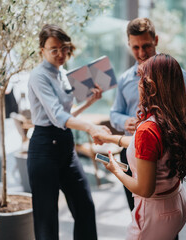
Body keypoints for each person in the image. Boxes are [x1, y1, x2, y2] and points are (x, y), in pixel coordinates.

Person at [95, 53, 186, 240]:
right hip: (177, 201)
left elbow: (144, 189)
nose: (139, 84)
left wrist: (115, 169)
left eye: (142, 79)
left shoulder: (148, 130)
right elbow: (142, 147)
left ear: (152, 86)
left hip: (155, 214)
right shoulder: (173, 118)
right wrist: (109, 138)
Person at [27, 24, 110, 240]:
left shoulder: (62, 73)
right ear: (42, 51)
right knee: (47, 221)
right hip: (44, 148)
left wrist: (90, 101)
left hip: (65, 145)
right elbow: (57, 116)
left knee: (85, 206)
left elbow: (67, 112)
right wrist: (90, 127)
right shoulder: (38, 76)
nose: (60, 54)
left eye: (64, 48)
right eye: (53, 49)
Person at [110, 17, 186, 211]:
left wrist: (162, 128)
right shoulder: (125, 79)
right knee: (137, 210)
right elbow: (114, 113)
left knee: (163, 207)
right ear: (128, 45)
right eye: (135, 47)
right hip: (132, 152)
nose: (141, 53)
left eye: (146, 46)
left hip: (164, 154)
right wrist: (126, 122)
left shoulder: (178, 76)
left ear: (156, 40)